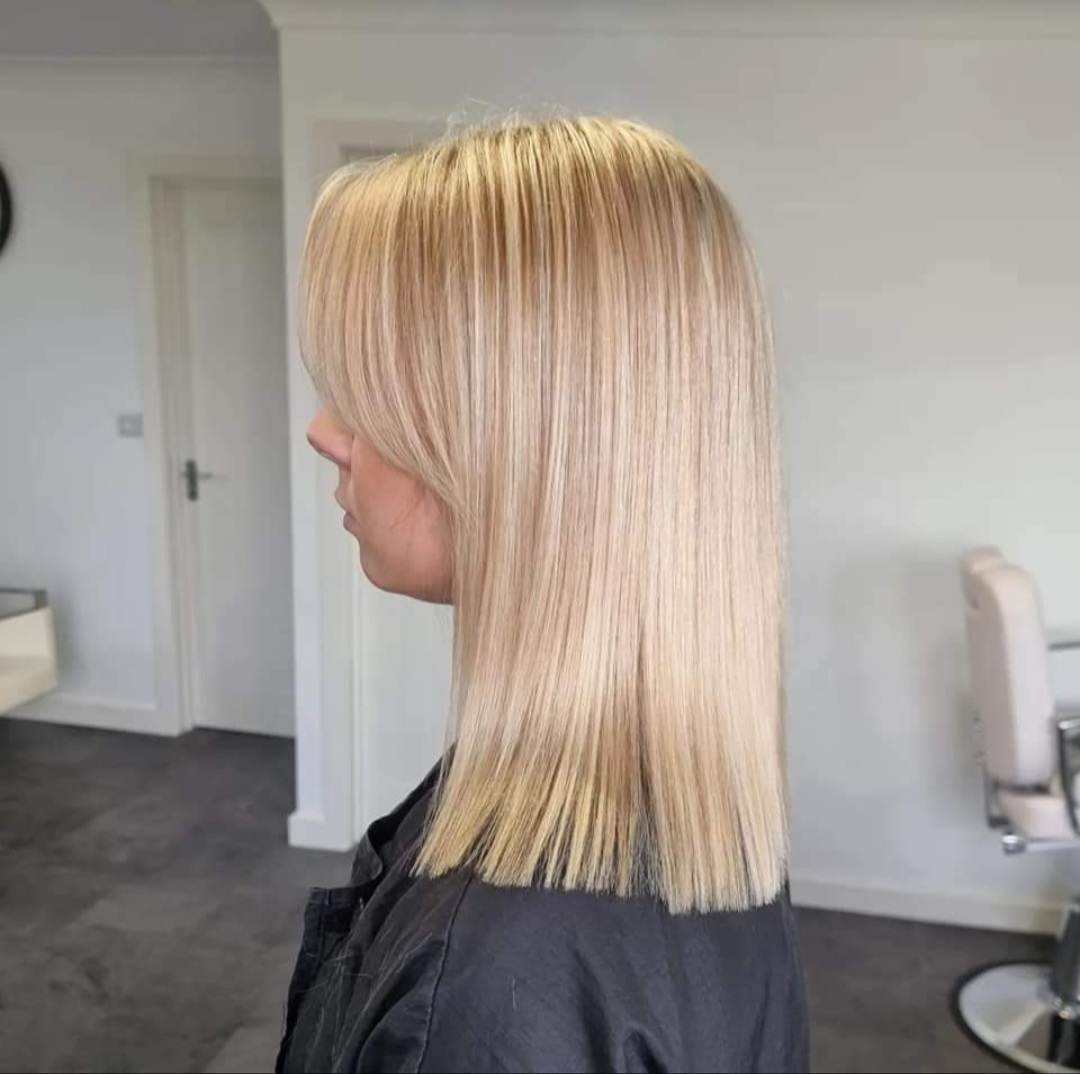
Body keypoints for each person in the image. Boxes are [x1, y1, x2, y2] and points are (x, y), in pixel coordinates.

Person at [279, 113, 809, 1074]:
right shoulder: (694, 819)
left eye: (368, 388)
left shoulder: (486, 995)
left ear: (518, 438)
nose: (324, 431)